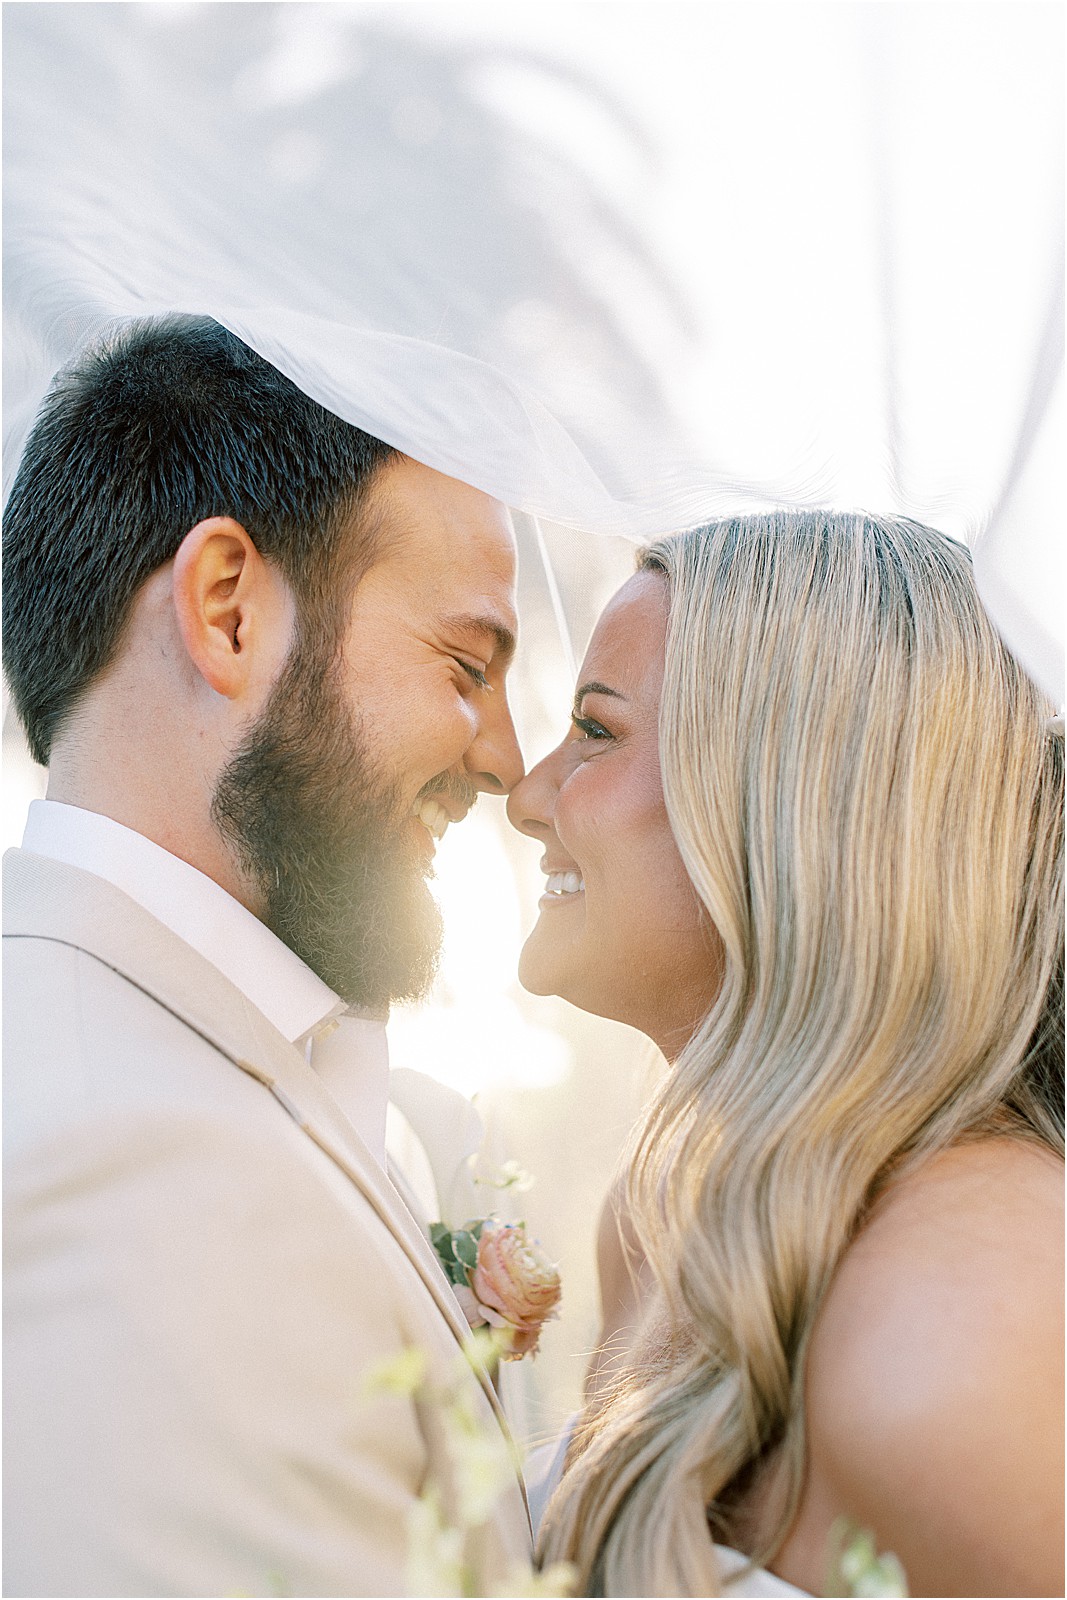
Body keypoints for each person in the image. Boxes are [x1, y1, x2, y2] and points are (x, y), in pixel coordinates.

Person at [2, 315, 531, 1597]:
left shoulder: (166, 1060)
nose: (507, 763)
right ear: (228, 610)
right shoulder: (133, 1169)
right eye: (466, 665)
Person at [507, 511, 1064, 1598]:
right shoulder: (653, 1226)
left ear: (788, 803)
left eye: (596, 730)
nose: (527, 795)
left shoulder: (975, 1325)